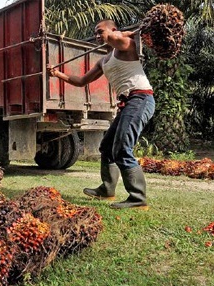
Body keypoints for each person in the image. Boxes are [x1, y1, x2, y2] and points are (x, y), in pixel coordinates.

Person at [47, 20, 155, 210]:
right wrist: (57, 74)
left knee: (122, 148)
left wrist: (121, 32)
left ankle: (138, 198)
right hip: (128, 103)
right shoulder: (104, 60)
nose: (97, 36)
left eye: (100, 32)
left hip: (140, 99)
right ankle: (107, 190)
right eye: (95, 33)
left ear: (114, 31)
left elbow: (119, 37)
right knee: (106, 147)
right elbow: (81, 81)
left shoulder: (125, 46)